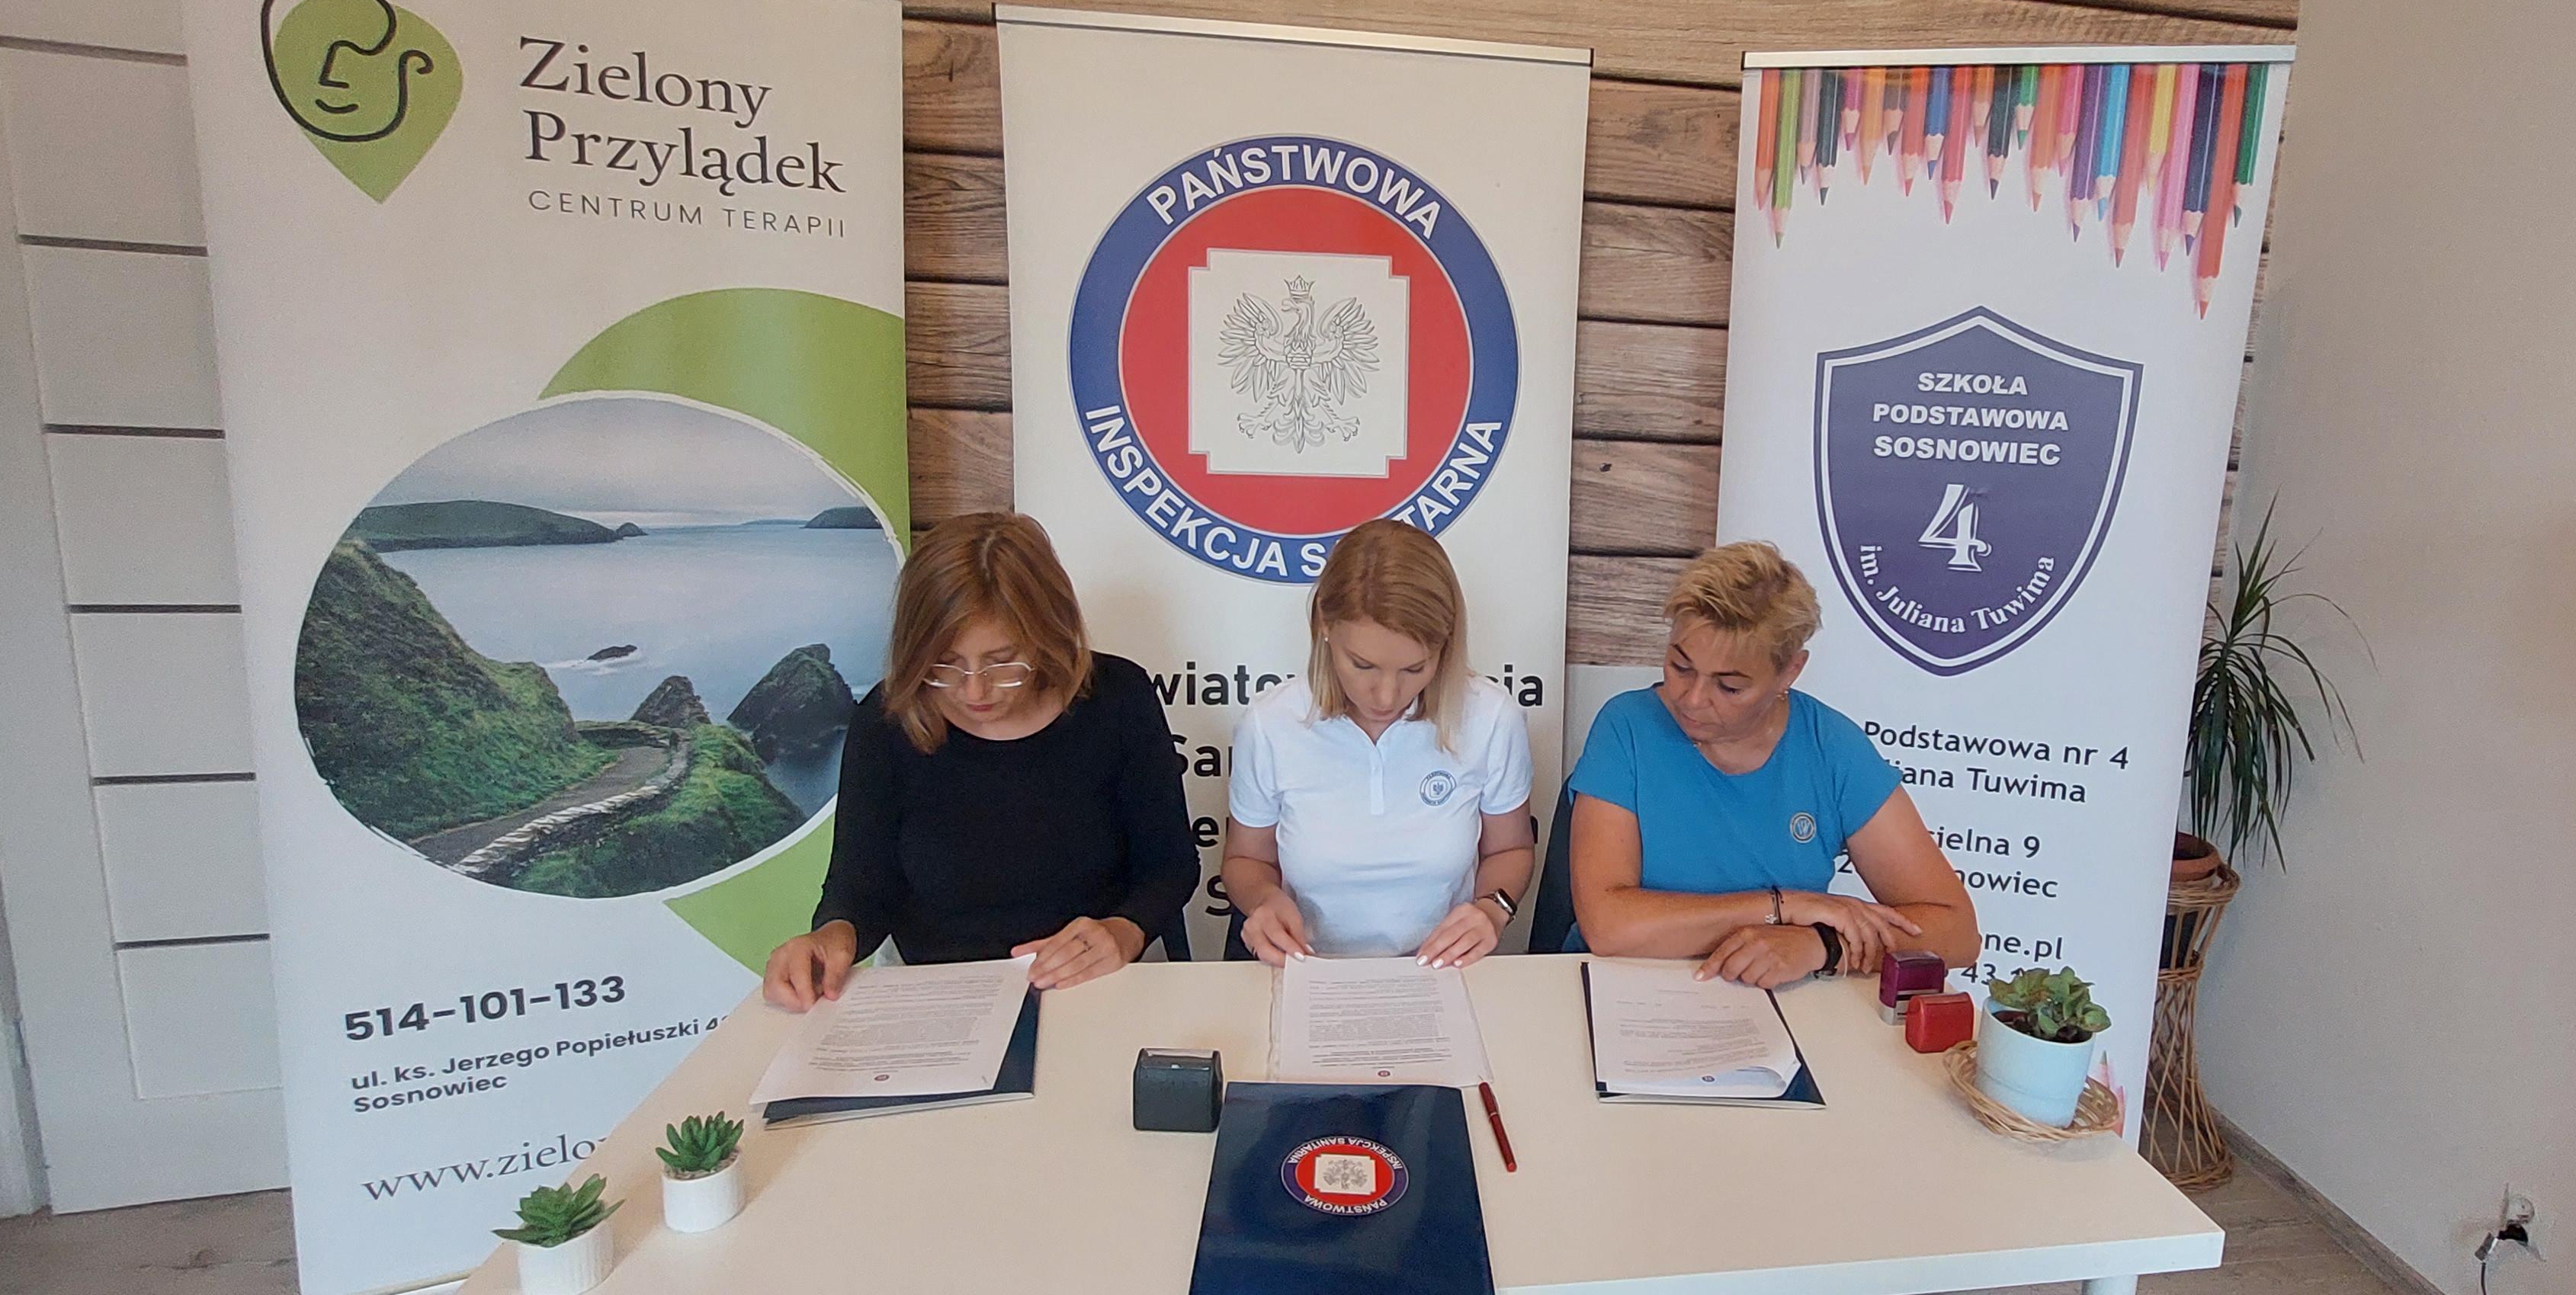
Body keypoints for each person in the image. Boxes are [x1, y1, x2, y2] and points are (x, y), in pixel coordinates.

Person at [762, 513, 1195, 1009]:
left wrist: (1124, 930)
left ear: (1048, 636)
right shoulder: (887, 720)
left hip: (1092, 986)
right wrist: (832, 937)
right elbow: (861, 887)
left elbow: (1169, 866)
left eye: (1002, 662)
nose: (974, 691)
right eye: (945, 665)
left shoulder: (1117, 698)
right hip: (937, 995)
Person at [1567, 541, 1979, 987]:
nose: (1693, 699)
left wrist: (1823, 945)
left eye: (1729, 687)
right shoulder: (1627, 726)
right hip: (1621, 989)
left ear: (1789, 672)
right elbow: (1608, 926)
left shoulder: (1830, 747)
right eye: (1680, 667)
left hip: (1775, 1001)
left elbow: (1957, 932)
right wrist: (1783, 907)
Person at [1223, 521, 1535, 967]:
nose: (1386, 697)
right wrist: (1264, 901)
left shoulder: (1490, 717)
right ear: (1324, 624)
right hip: (1309, 968)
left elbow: (1510, 849)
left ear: (1445, 647)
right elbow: (1245, 860)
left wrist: (1492, 909)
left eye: (1414, 669)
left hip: (1441, 971)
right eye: (1363, 665)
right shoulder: (1271, 724)